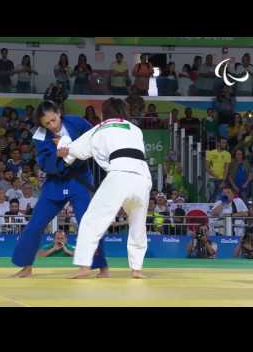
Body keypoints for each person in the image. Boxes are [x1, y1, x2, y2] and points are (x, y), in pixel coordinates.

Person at [11, 100, 109, 278]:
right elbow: (43, 162)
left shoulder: (77, 122)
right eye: (47, 123)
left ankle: (101, 267)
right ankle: (26, 266)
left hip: (78, 179)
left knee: (88, 223)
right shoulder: (40, 135)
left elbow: (95, 139)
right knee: (35, 224)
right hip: (55, 182)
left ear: (59, 113)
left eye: (53, 120)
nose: (52, 126)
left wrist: (72, 149)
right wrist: (57, 154)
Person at [57, 97, 152, 279]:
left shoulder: (101, 128)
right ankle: (137, 269)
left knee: (92, 221)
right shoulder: (136, 129)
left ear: (103, 114)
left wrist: (64, 149)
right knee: (138, 224)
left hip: (119, 174)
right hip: (143, 177)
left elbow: (77, 151)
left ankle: (84, 266)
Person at [206, 137, 231, 202]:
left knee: (218, 198)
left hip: (221, 179)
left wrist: (223, 181)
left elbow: (226, 169)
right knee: (210, 196)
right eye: (223, 142)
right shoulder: (210, 153)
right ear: (218, 143)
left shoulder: (227, 154)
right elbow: (207, 167)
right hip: (212, 178)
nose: (224, 144)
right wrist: (214, 175)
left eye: (225, 143)